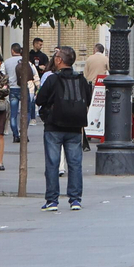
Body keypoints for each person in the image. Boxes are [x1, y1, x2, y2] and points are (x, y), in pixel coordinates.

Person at [35, 46, 91, 210]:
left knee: (52, 164)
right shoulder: (81, 80)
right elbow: (88, 99)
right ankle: (75, 199)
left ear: (59, 60)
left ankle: (52, 200)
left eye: (56, 56)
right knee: (75, 164)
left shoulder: (52, 79)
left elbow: (39, 100)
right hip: (75, 126)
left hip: (54, 126)